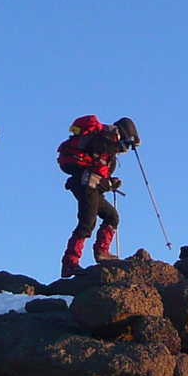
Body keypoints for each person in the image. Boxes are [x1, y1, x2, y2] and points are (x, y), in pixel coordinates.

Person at [56, 114, 139, 275]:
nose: (126, 149)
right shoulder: (106, 141)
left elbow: (98, 171)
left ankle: (100, 253)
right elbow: (97, 170)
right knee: (87, 223)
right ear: (124, 136)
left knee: (111, 216)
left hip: (88, 186)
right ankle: (70, 262)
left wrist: (109, 182)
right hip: (87, 187)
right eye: (127, 144)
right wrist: (107, 182)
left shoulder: (106, 145)